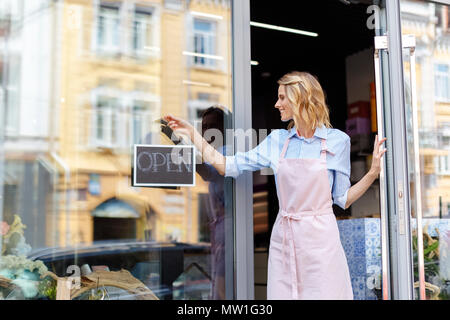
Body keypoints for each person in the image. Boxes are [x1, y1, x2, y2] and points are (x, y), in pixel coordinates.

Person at [163, 71, 387, 300]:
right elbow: (226, 166)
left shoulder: (337, 141)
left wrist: (372, 173)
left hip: (321, 241)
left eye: (282, 97)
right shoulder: (277, 141)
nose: (276, 103)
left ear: (300, 97)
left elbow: (342, 199)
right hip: (285, 238)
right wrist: (191, 133)